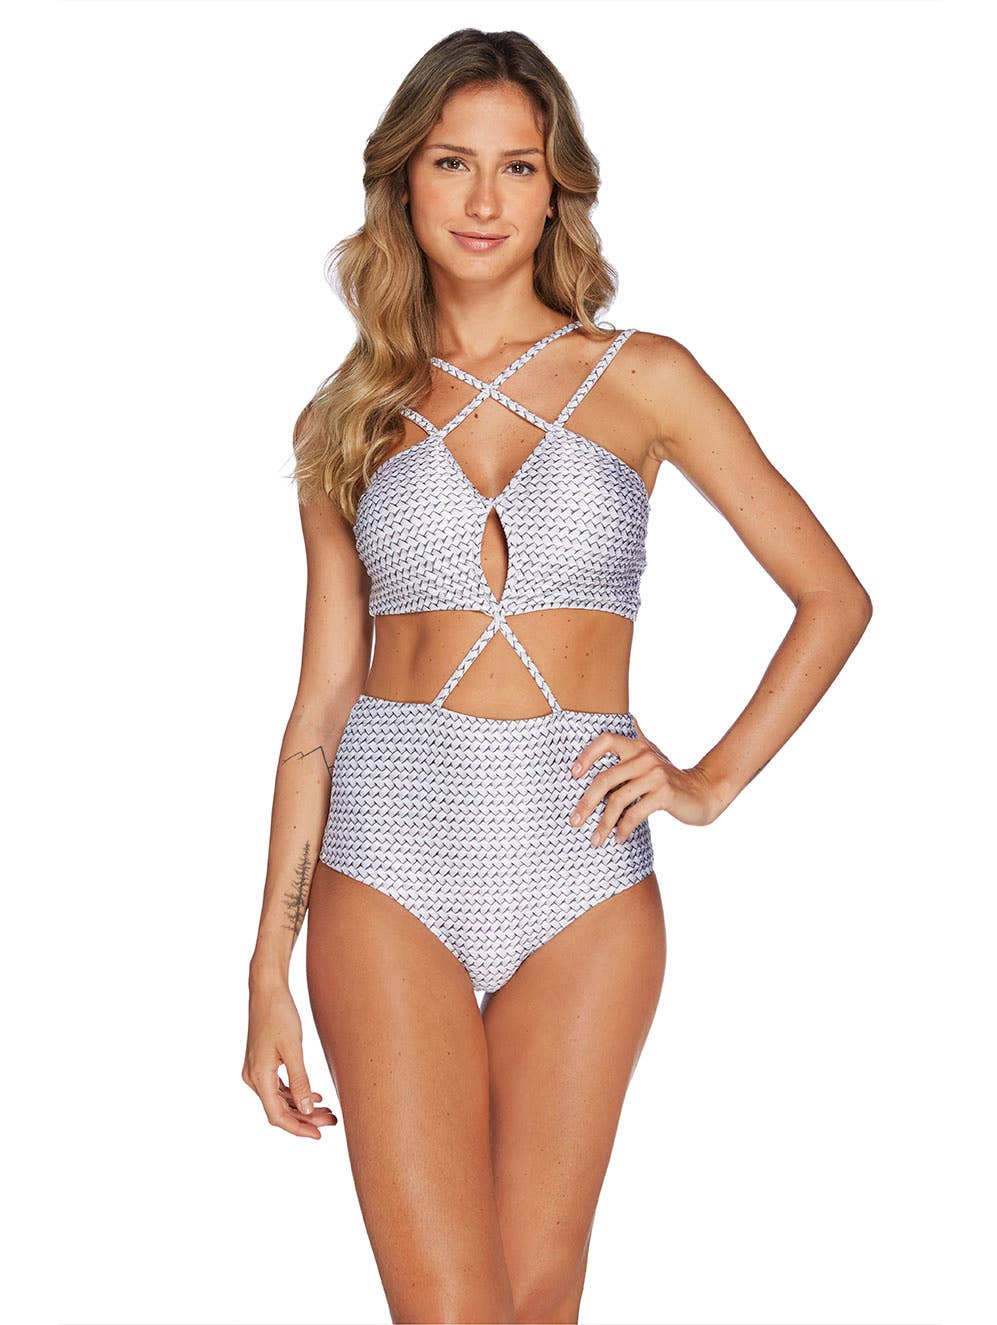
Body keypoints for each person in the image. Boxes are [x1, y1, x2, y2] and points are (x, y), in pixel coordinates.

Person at [242, 27, 872, 1325]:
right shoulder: (345, 416)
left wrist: (705, 782)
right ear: (403, 180)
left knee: (537, 1306)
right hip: (389, 855)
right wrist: (265, 967)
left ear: (555, 188)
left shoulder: (645, 378)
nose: (484, 199)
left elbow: (832, 596)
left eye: (517, 167)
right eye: (452, 162)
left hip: (584, 867)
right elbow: (320, 703)